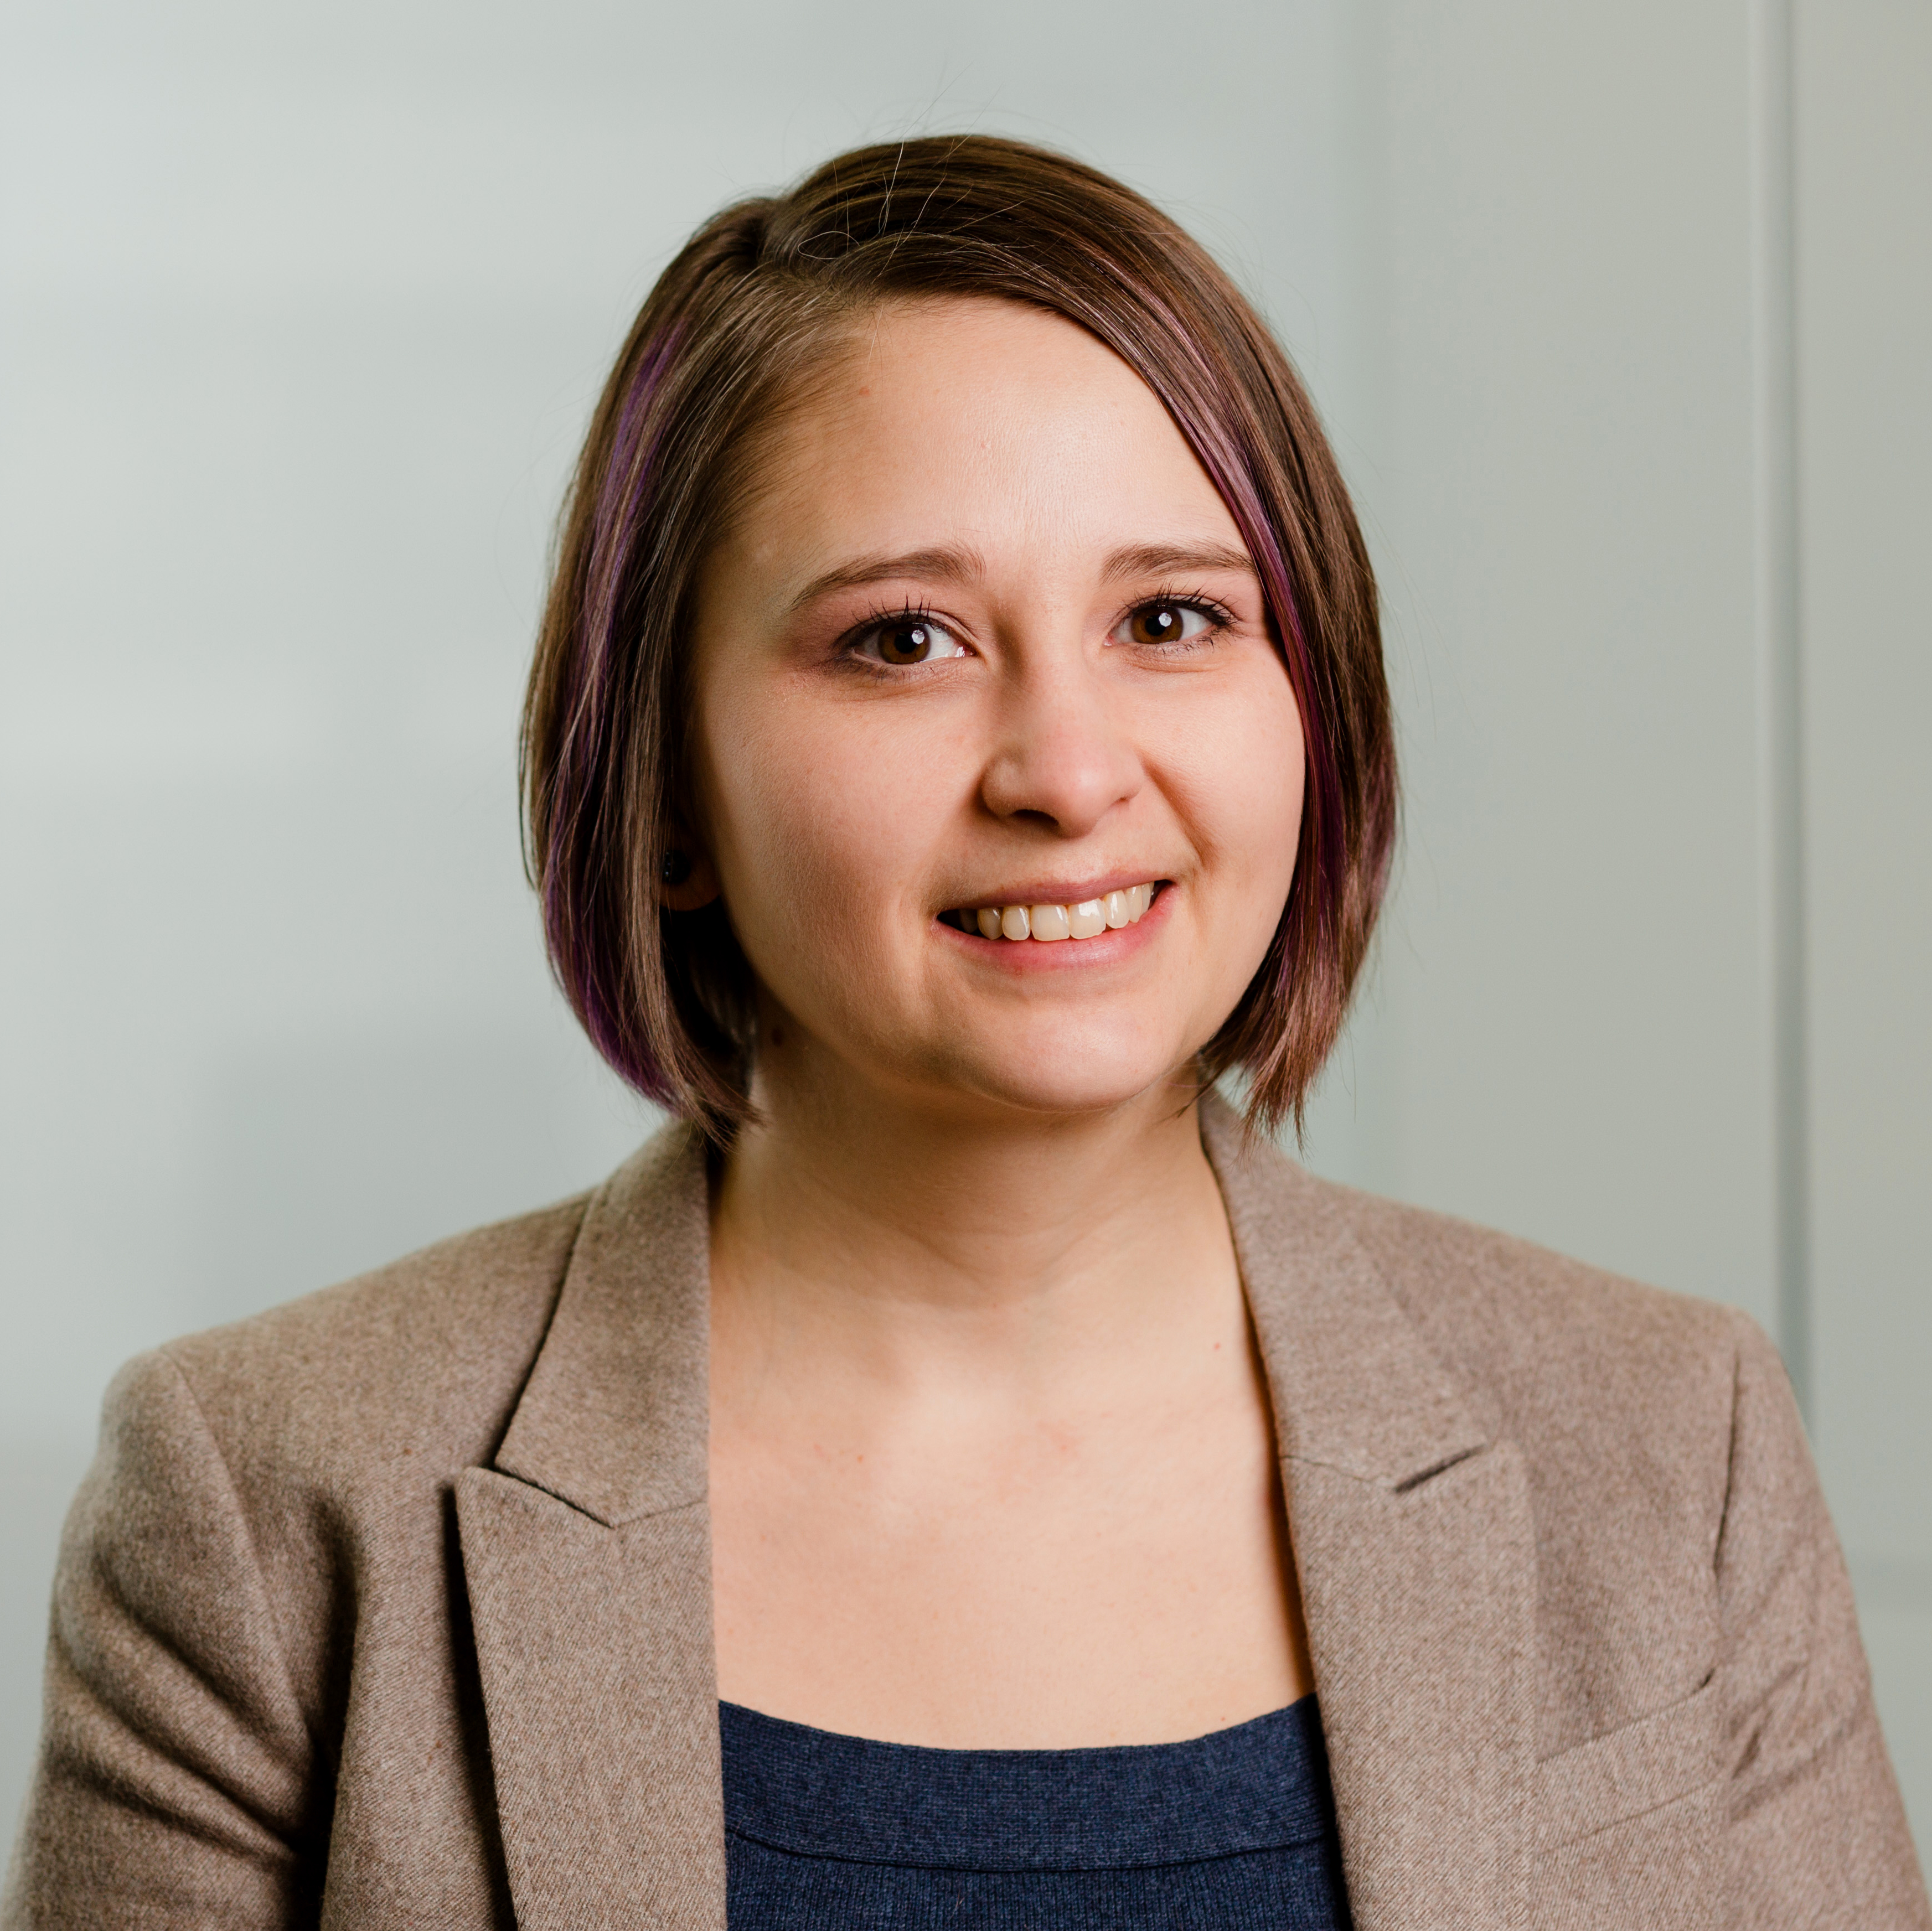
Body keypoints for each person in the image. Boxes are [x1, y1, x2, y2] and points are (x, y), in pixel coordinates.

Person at [4, 135, 1925, 1931]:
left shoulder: (1671, 1447)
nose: (1071, 770)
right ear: (662, 789)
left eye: (1171, 618)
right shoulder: (264, 1503)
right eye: (902, 638)